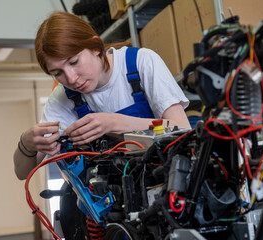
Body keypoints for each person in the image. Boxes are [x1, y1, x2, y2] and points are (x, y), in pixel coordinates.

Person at [13, 11, 191, 180]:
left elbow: (183, 129)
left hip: (163, 181)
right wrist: (26, 144)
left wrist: (115, 123)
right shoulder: (62, 98)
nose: (71, 78)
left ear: (95, 46)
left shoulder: (140, 62)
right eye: (58, 73)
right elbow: (23, 173)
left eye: (74, 62)